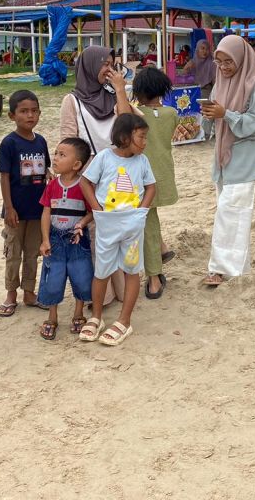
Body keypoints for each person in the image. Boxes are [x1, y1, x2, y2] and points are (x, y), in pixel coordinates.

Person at [199, 35, 255, 285]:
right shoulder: (221, 81)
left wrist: (226, 114)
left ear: (242, 59)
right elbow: (215, 111)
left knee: (231, 210)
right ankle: (234, 266)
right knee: (229, 209)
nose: (223, 67)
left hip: (246, 155)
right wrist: (209, 116)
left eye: (228, 62)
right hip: (224, 155)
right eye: (219, 62)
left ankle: (219, 268)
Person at [60, 46, 132, 303]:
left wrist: (120, 90)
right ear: (89, 66)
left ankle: (121, 287)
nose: (108, 69)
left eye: (111, 64)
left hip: (117, 172)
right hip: (88, 175)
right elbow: (68, 141)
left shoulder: (112, 95)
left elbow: (127, 127)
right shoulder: (72, 101)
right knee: (94, 234)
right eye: (104, 64)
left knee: (119, 231)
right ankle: (102, 293)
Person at [79, 114, 156, 346]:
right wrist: (97, 208)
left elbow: (151, 187)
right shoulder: (104, 157)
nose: (145, 142)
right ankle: (96, 317)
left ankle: (124, 320)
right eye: (141, 137)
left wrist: (142, 211)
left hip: (133, 225)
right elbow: (85, 182)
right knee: (102, 271)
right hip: (107, 225)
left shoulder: (142, 161)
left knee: (131, 270)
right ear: (124, 137)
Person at [120, 66, 179, 298]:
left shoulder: (137, 116)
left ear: (139, 91)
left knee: (148, 227)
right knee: (150, 221)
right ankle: (162, 249)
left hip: (142, 179)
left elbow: (122, 114)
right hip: (163, 174)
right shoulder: (171, 113)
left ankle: (154, 277)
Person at [0, 90, 50, 317]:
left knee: (32, 253)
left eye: (34, 111)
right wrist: (9, 208)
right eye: (24, 111)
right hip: (15, 211)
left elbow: (45, 170)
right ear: (12, 115)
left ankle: (29, 292)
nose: (30, 115)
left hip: (37, 210)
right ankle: (11, 294)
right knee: (13, 253)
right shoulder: (9, 143)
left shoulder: (41, 142)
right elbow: (4, 177)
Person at [37, 138, 95, 340]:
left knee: (81, 276)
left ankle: (78, 313)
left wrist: (82, 224)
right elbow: (46, 213)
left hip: (77, 240)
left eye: (62, 155)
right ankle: (52, 317)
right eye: (56, 153)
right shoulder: (52, 185)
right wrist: (45, 239)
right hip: (55, 240)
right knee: (53, 278)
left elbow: (92, 211)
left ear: (77, 164)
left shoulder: (84, 186)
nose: (55, 158)